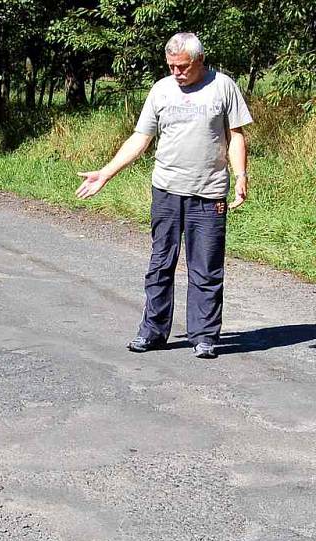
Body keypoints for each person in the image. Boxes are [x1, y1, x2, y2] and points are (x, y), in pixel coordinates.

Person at [75, 32, 253, 359]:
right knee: (160, 263)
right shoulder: (161, 90)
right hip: (167, 192)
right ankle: (153, 331)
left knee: (206, 268)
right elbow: (140, 139)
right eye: (171, 66)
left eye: (183, 66)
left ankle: (204, 336)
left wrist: (241, 175)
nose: (177, 72)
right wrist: (106, 172)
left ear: (199, 61)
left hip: (208, 193)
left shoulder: (223, 87)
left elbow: (236, 136)